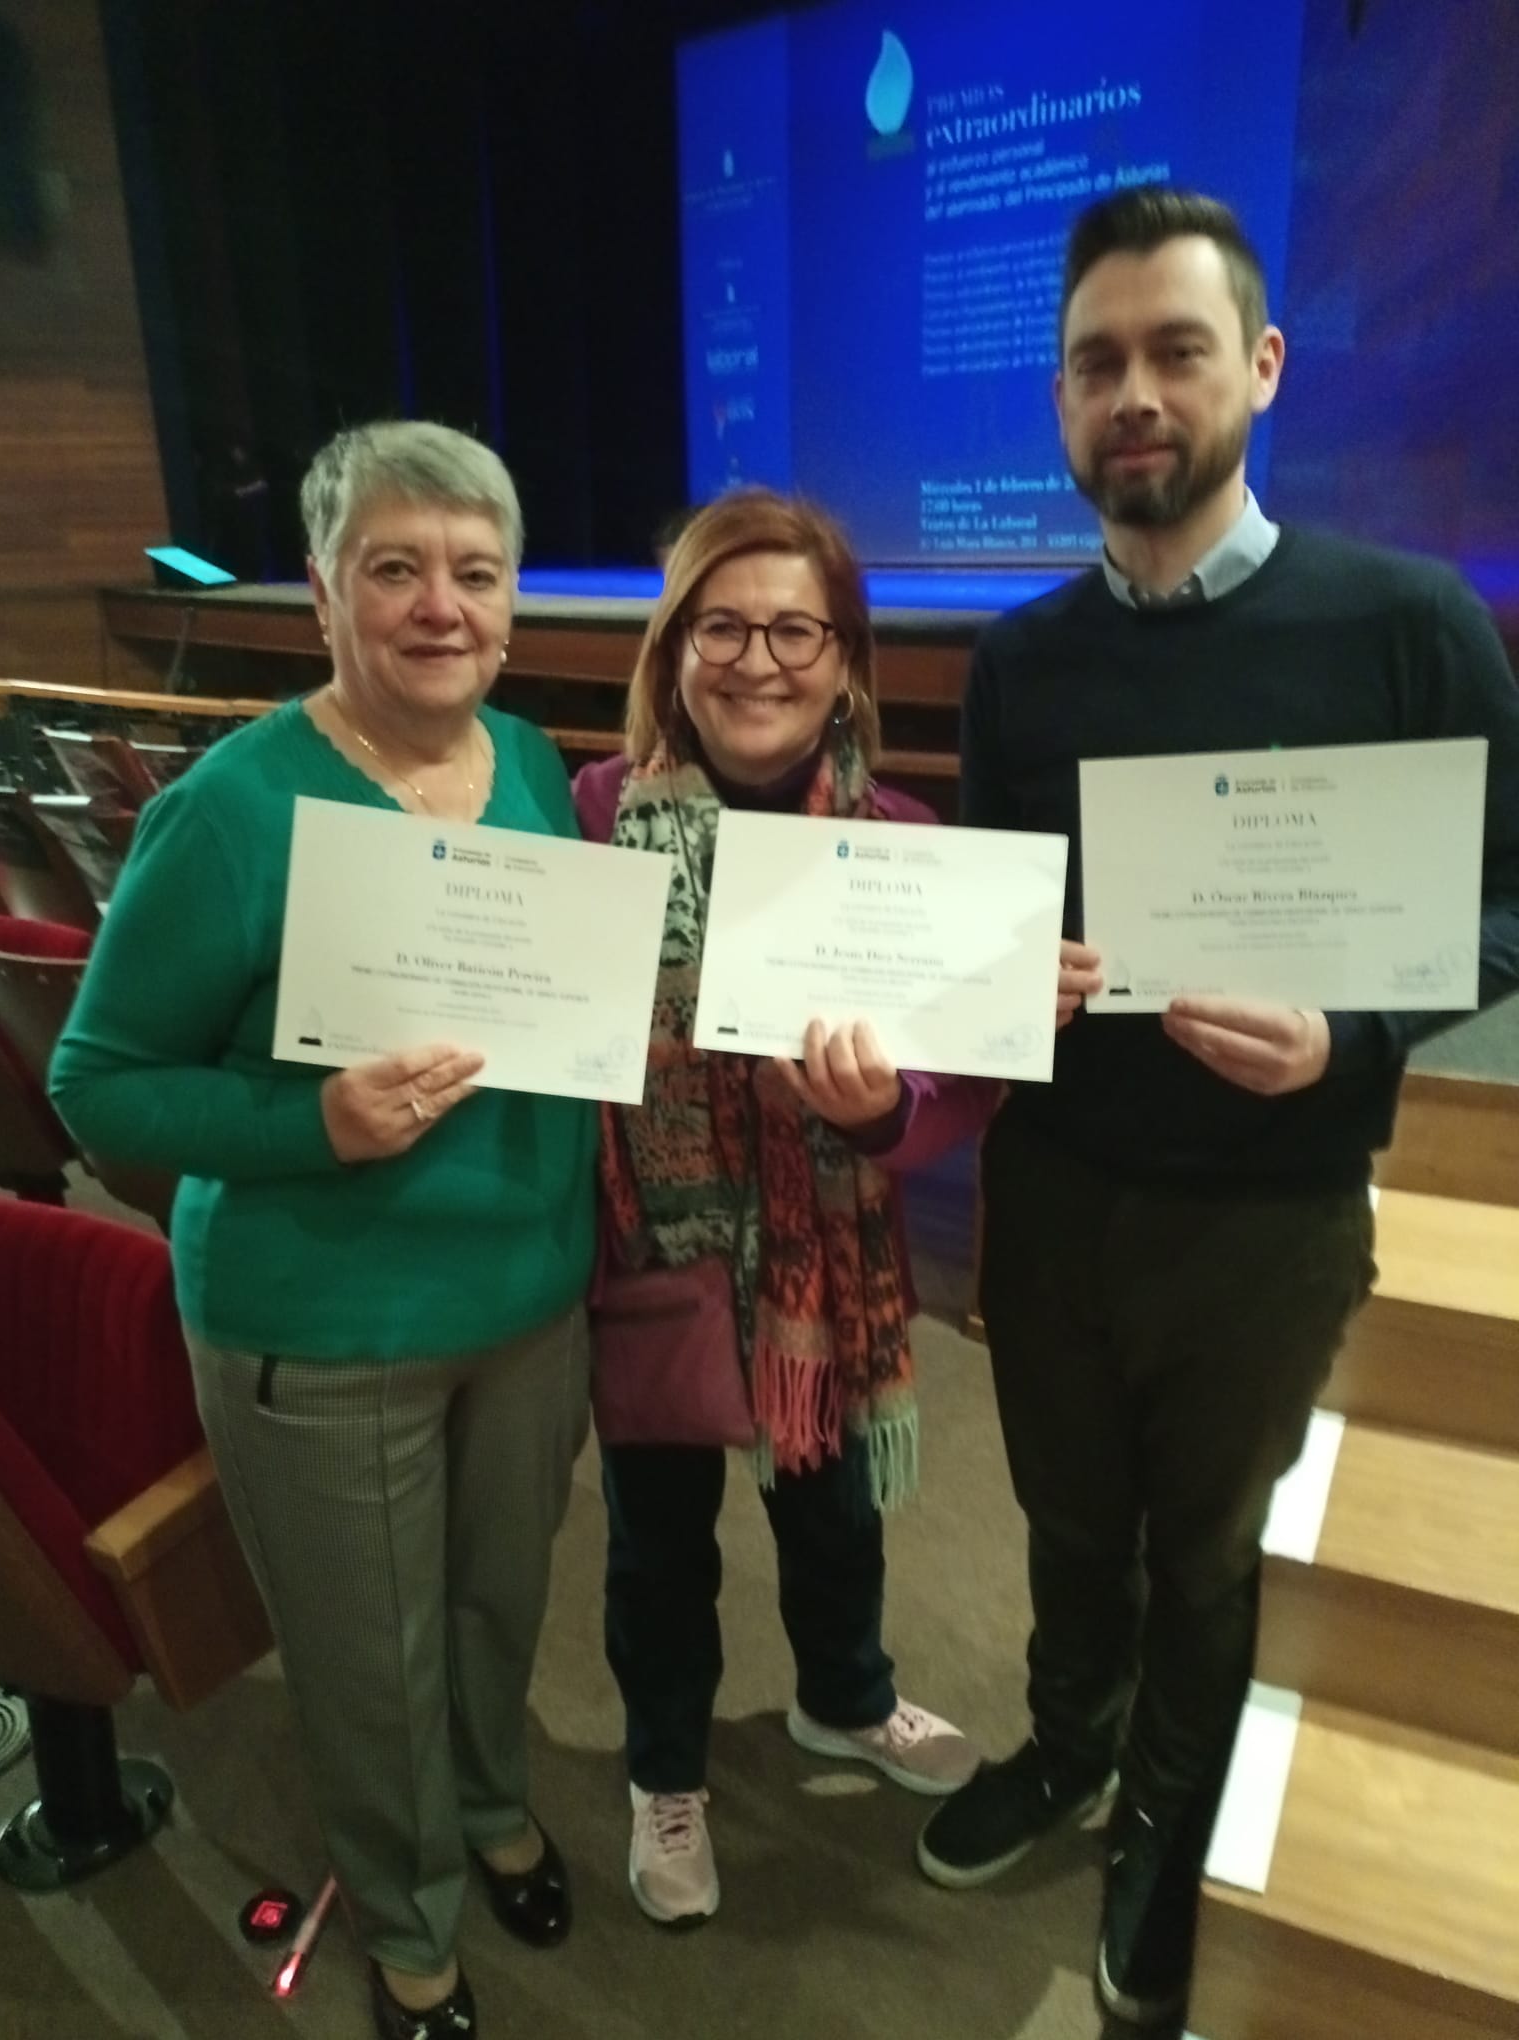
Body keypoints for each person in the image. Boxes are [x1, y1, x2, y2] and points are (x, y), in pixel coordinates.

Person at [916, 186, 1519, 2027]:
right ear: (1061, 404)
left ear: (1259, 367)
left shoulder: (1411, 625)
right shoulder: (1021, 662)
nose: (1137, 394)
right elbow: (1004, 921)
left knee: (1211, 1543)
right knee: (1067, 1516)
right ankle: (1065, 1743)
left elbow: (1502, 909)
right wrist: (995, 974)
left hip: (1269, 1210)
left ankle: (1164, 1823)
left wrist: (1351, 1032)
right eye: (1097, 363)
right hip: (1064, 1190)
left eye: (1177, 350)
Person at [51, 420, 597, 2040]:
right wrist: (314, 1125)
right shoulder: (233, 810)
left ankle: (494, 1806)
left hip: (525, 1306)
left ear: (510, 608)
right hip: (323, 1324)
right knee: (371, 1660)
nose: (442, 606)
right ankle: (412, 1924)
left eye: (475, 574)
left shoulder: (532, 765)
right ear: (322, 595)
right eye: (396, 569)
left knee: (499, 1611)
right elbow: (100, 1083)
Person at [573, 487, 1007, 1929]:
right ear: (675, 647)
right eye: (724, 626)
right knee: (657, 1539)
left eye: (795, 630)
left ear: (844, 661)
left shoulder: (902, 835)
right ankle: (663, 1771)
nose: (759, 661)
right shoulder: (589, 816)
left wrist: (878, 1110)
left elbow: (960, 1092)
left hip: (830, 1273)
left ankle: (846, 1699)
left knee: (837, 1518)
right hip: (656, 1251)